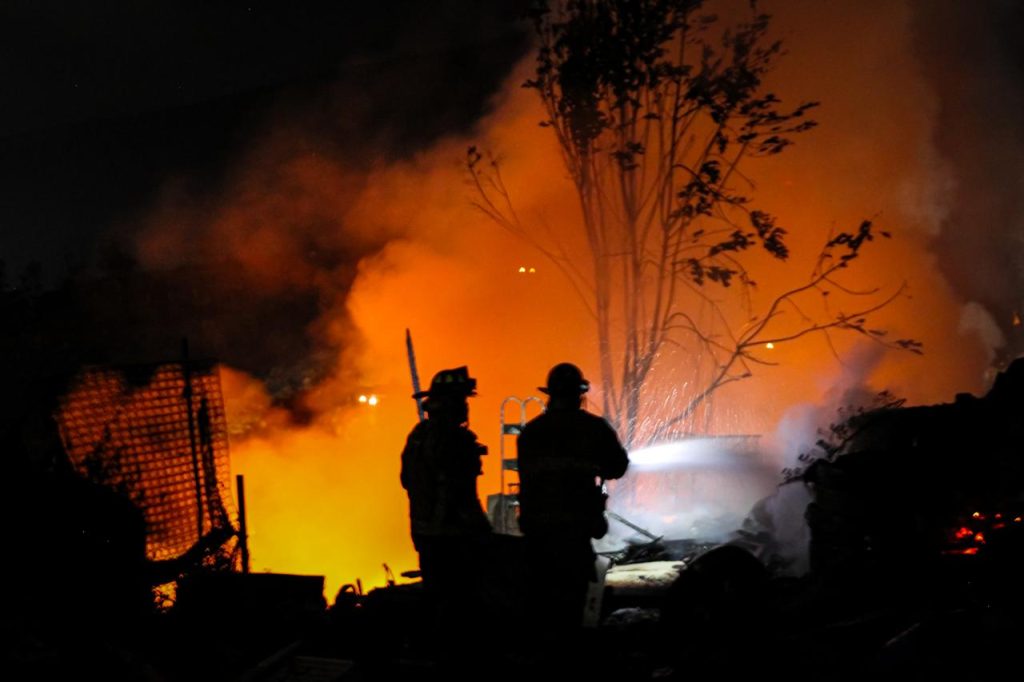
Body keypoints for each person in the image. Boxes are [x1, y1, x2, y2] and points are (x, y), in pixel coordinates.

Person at [516, 362, 629, 644]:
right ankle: (570, 661)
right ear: (579, 395)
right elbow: (617, 467)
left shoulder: (531, 432)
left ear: (550, 395)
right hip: (575, 533)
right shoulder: (593, 429)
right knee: (572, 605)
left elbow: (528, 481)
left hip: (538, 535)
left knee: (541, 603)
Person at [399, 366, 492, 662]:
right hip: (455, 537)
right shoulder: (456, 440)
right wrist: (484, 533)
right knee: (461, 606)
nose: (466, 406)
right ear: (451, 403)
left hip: (424, 534)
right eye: (463, 400)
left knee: (434, 596)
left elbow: (406, 481)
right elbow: (461, 493)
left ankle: (427, 656)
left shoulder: (417, 436)